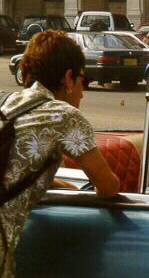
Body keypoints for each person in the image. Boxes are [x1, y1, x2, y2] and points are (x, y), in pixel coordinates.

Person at [0, 30, 120, 277]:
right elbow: (108, 187)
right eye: (82, 80)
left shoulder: (8, 104)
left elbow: (14, 166)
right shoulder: (65, 116)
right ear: (68, 78)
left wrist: (57, 183)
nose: (82, 92)